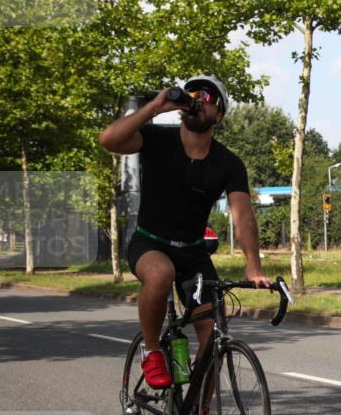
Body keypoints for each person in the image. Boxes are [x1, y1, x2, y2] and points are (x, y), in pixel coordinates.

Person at [99, 75, 271, 398]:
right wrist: (155, 106)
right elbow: (109, 139)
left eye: (209, 96)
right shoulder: (156, 139)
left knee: (213, 335)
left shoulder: (229, 163)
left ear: (219, 115)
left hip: (193, 255)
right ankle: (152, 352)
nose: (199, 99)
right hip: (150, 242)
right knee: (161, 273)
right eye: (194, 93)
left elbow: (243, 215)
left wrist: (253, 265)